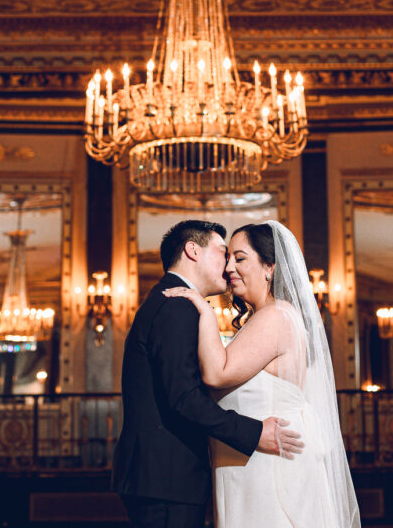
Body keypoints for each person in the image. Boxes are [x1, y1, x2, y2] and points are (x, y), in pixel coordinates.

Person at [164, 221, 361, 527]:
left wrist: (204, 311)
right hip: (250, 464)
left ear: (270, 268)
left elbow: (217, 373)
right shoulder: (265, 317)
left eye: (240, 258)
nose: (229, 267)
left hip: (268, 468)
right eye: (228, 258)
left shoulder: (276, 316)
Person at [112, 220, 304, 528]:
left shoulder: (175, 302)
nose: (228, 267)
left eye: (236, 258)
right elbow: (184, 398)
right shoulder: (176, 306)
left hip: (165, 477)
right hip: (166, 477)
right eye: (223, 253)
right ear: (193, 251)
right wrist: (254, 433)